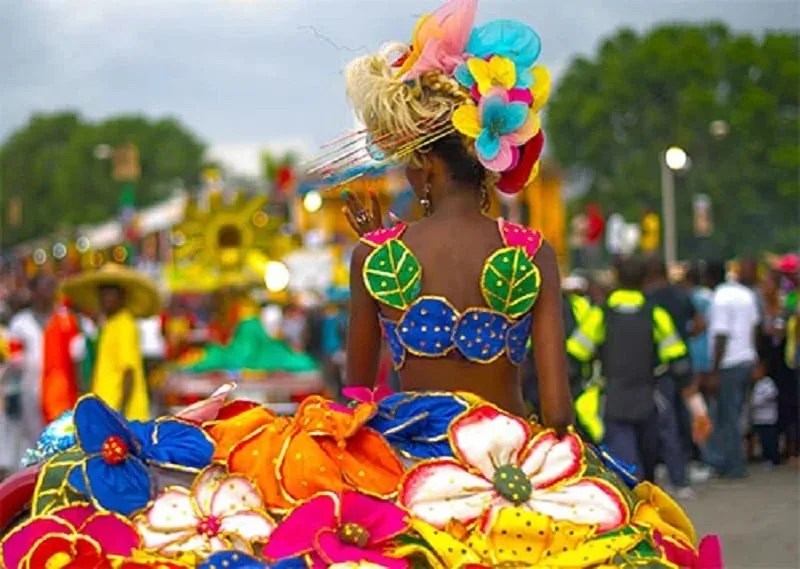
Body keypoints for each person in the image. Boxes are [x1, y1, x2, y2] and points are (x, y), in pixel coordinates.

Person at [568, 257, 698, 497]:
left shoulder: (601, 315)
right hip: (650, 398)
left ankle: (631, 502)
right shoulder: (655, 314)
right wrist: (693, 399)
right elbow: (678, 360)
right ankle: (672, 486)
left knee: (624, 460)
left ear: (617, 279)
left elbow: (575, 354)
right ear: (645, 280)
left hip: (613, 399)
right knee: (655, 450)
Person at [62, 264, 160, 421]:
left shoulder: (124, 324)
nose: (104, 298)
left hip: (123, 415)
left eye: (110, 293)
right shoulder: (110, 324)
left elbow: (129, 372)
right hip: (109, 410)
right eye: (102, 293)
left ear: (122, 296)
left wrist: (119, 414)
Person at [6, 274, 82, 453]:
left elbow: (78, 356)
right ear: (33, 291)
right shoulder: (20, 323)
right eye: (44, 287)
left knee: (63, 442)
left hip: (62, 392)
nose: (48, 292)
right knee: (35, 444)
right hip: (31, 392)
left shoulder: (66, 319)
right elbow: (14, 360)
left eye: (51, 287)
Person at [704, 258, 760, 478]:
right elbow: (754, 327)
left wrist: (714, 371)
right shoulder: (746, 294)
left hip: (729, 363)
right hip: (746, 359)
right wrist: (754, 356)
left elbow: (721, 335)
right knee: (738, 414)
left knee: (728, 417)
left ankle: (733, 466)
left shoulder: (720, 298)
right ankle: (733, 461)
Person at [750, 360, 780, 468]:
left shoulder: (768, 383)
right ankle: (765, 458)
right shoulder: (755, 385)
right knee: (762, 440)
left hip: (768, 418)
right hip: (758, 418)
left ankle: (773, 459)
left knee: (770, 439)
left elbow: (772, 395)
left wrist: (758, 402)